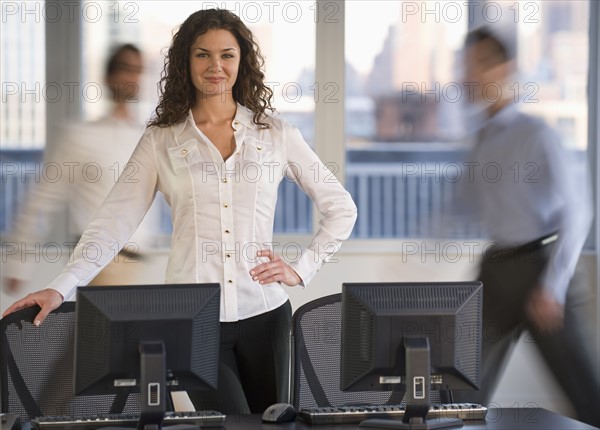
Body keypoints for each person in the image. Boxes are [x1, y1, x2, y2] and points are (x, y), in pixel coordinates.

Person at [2, 9, 358, 415]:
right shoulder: (161, 139)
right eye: (202, 55)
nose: (215, 67)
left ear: (242, 62)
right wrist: (59, 287)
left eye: (227, 55)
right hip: (194, 320)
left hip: (267, 314)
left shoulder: (275, 134)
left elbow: (341, 207)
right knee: (233, 422)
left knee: (274, 422)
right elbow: (112, 225)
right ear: (185, 63)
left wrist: (302, 268)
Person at [450, 25, 599, 427]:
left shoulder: (537, 134)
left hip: (540, 269)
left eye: (480, 64)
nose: (472, 75)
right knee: (459, 392)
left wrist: (552, 287)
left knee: (586, 396)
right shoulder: (481, 140)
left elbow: (579, 210)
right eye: (468, 65)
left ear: (506, 68)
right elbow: (462, 206)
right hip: (496, 271)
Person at [3, 43, 159, 293]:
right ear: (109, 77)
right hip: (102, 266)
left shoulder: (149, 136)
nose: (133, 77)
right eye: (126, 69)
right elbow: (40, 203)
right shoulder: (81, 136)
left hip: (139, 269)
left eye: (138, 70)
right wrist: (18, 264)